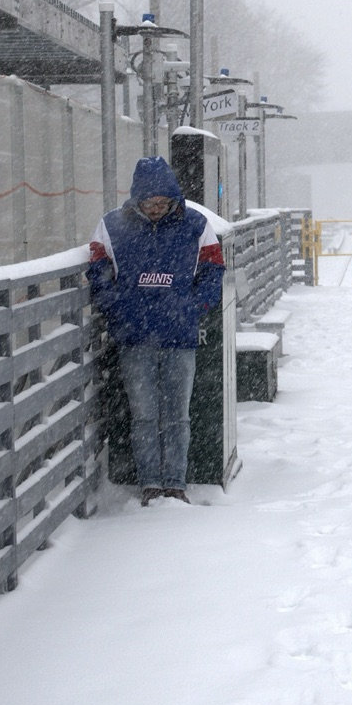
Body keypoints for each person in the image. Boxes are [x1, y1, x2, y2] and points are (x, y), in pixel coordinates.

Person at [87, 155, 225, 504]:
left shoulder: (196, 225)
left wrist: (196, 307)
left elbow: (214, 269)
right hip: (134, 339)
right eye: (150, 203)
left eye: (163, 203)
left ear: (174, 199)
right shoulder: (111, 226)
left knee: (178, 415)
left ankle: (175, 483)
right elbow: (97, 270)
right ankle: (150, 483)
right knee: (144, 415)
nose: (156, 209)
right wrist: (117, 309)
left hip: (179, 337)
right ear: (137, 200)